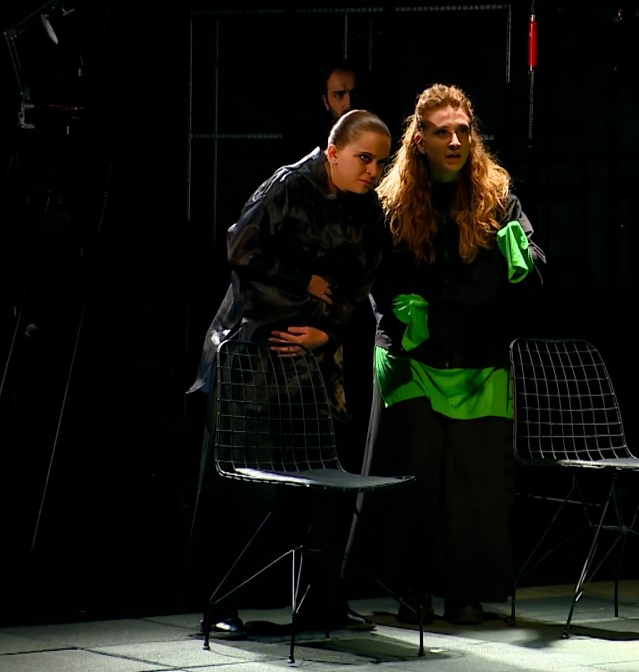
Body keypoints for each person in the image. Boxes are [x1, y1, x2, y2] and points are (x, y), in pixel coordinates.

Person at [184, 109, 393, 639]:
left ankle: (323, 602)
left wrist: (328, 332)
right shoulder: (289, 186)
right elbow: (240, 248)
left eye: (379, 162)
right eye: (363, 158)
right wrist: (305, 281)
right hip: (252, 353)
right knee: (241, 488)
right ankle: (222, 604)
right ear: (334, 153)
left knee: (317, 485)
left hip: (312, 359)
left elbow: (361, 284)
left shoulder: (367, 209)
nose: (372, 171)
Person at [360, 83, 545, 625]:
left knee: (475, 483)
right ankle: (410, 590)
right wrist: (397, 311)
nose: (456, 141)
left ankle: (466, 593)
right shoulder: (392, 202)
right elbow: (371, 273)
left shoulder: (497, 196)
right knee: (413, 477)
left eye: (463, 131)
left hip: (476, 359)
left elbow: (532, 265)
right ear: (419, 139)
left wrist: (524, 258)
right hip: (412, 355)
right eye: (443, 132)